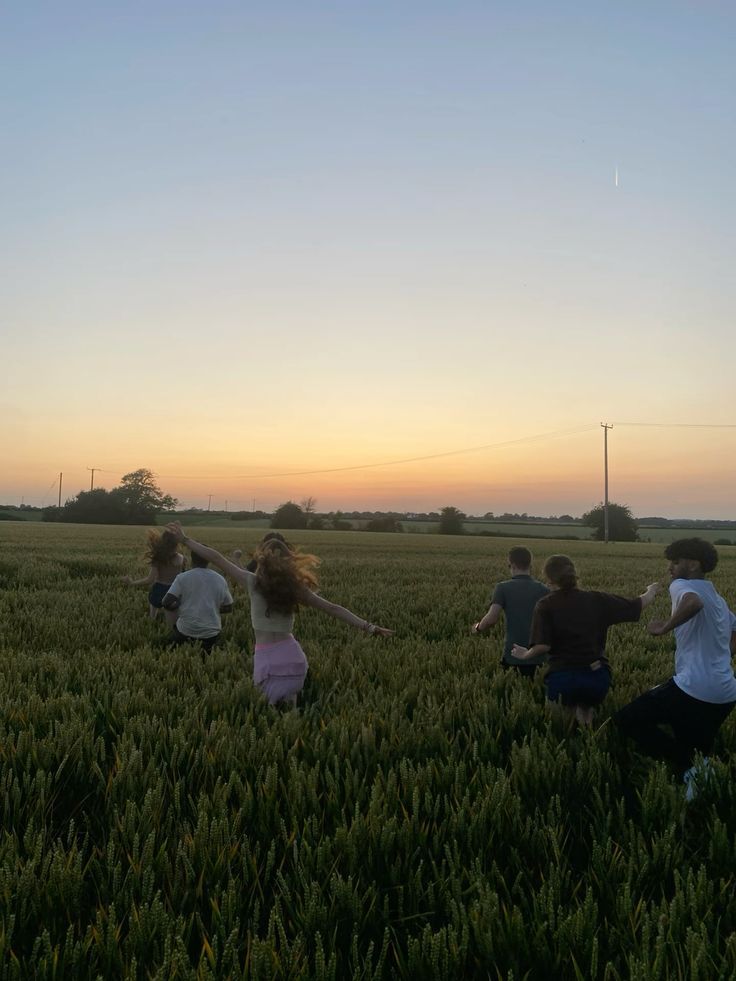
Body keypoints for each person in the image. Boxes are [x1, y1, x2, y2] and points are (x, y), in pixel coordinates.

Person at [166, 522, 393, 707]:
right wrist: (370, 627)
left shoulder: (252, 582)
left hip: (268, 661)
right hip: (294, 660)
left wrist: (185, 540)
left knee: (267, 715)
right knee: (291, 714)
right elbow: (334, 608)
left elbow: (216, 558)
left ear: (261, 565)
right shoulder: (296, 590)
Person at [615, 538, 736, 797]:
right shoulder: (719, 599)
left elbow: (693, 603)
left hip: (693, 688)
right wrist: (721, 655)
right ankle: (698, 780)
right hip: (725, 693)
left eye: (676, 561)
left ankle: (692, 766)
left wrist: (664, 627)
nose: (671, 567)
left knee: (627, 720)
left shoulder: (683, 585)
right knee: (694, 747)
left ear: (693, 564)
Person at [511, 554, 660, 726]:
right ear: (574, 576)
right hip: (596, 677)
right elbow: (638, 604)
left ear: (549, 580)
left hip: (563, 678)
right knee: (587, 717)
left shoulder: (545, 605)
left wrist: (526, 654)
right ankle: (588, 726)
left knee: (562, 728)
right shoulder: (597, 599)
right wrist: (652, 590)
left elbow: (543, 646)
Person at [471, 546, 549, 676]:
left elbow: (491, 619)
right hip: (539, 656)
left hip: (513, 655)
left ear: (512, 565)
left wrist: (477, 627)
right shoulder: (544, 589)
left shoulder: (503, 588)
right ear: (530, 565)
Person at [161, 551, 234, 654]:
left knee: (168, 651)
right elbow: (228, 607)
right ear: (209, 560)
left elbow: (166, 602)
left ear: (192, 560)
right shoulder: (220, 579)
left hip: (185, 630)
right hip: (211, 634)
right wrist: (210, 609)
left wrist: (180, 606)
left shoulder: (182, 577)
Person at [122, 529, 186, 626]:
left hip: (159, 590)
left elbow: (150, 579)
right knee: (173, 621)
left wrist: (132, 583)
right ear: (177, 543)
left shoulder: (158, 558)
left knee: (153, 611)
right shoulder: (181, 558)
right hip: (175, 591)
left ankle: (152, 621)